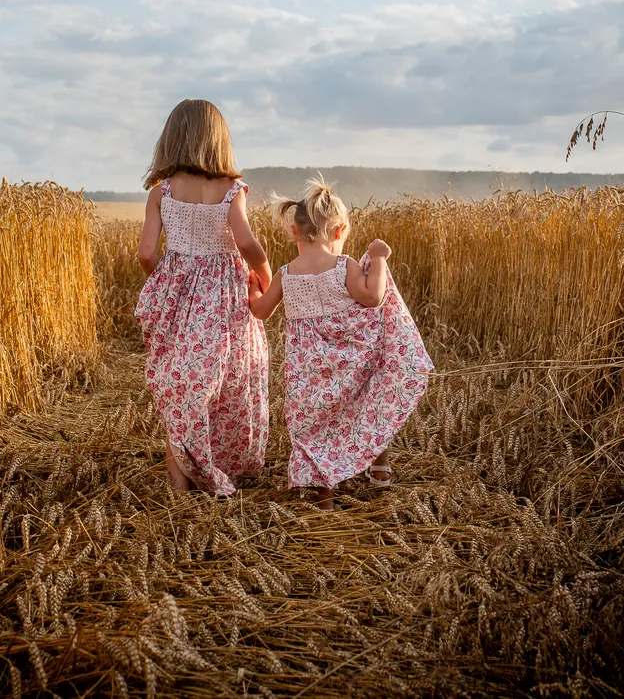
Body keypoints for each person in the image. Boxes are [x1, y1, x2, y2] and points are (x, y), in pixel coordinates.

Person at [248, 179, 432, 510]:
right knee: (369, 399)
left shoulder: (286, 274)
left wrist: (252, 289)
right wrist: (378, 259)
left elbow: (260, 312)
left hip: (308, 371)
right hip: (350, 361)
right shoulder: (344, 265)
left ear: (294, 232)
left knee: (312, 425)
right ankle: (379, 467)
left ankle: (324, 500)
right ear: (338, 231)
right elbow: (373, 297)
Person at [134, 99, 272, 495]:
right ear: (219, 142)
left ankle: (179, 491)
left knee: (182, 385)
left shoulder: (161, 192)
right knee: (227, 379)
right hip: (224, 298)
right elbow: (246, 242)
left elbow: (146, 253)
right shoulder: (232, 192)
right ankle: (224, 464)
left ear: (171, 139)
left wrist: (166, 280)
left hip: (178, 295)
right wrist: (263, 278)